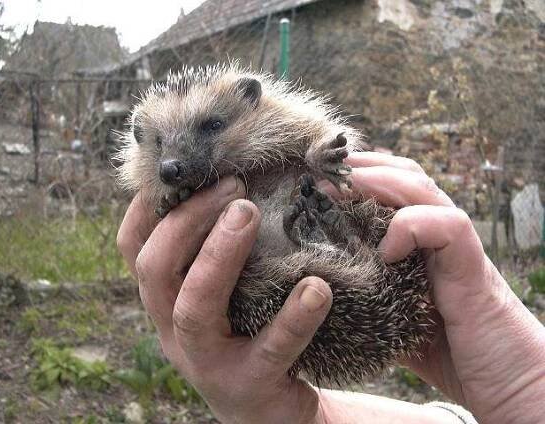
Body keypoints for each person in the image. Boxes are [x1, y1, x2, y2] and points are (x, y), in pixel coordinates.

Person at [117, 152, 545, 424]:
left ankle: (323, 239)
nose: (178, 158)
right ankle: (326, 239)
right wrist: (522, 389)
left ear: (249, 100)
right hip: (295, 264)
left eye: (211, 128)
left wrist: (526, 384)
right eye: (161, 146)